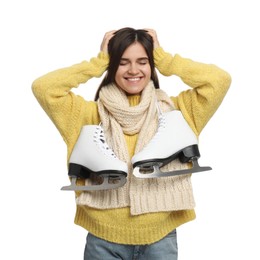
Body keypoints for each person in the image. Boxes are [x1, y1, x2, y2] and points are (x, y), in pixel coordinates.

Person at [32, 27, 231, 259]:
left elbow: (219, 81)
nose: (133, 70)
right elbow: (44, 88)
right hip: (103, 242)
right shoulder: (86, 115)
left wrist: (165, 60)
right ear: (112, 64)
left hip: (161, 241)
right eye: (123, 62)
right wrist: (98, 63)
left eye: (143, 61)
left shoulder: (178, 112)